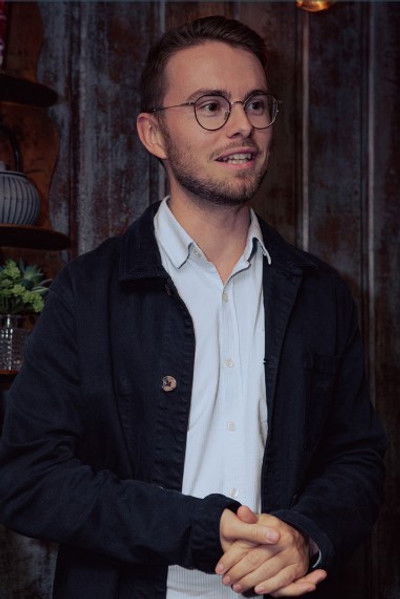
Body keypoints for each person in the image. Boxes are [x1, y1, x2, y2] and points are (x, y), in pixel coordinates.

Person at [0, 15, 385, 599]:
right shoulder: (88, 290)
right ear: (153, 133)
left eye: (256, 105)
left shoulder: (322, 292)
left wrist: (306, 535)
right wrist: (200, 530)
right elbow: (29, 479)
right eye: (211, 106)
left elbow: (357, 459)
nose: (242, 126)